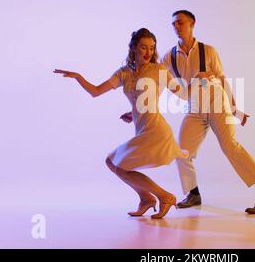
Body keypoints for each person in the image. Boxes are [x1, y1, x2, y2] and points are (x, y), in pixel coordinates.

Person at [121, 11, 255, 214]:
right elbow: (156, 83)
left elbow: (222, 79)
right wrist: (136, 108)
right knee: (182, 151)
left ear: (191, 24)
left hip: (216, 103)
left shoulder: (208, 51)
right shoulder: (169, 56)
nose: (176, 27)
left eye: (180, 23)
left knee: (230, 146)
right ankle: (193, 194)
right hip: (194, 106)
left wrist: (233, 108)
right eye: (173, 24)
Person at [54, 28, 195, 219]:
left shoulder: (159, 70)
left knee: (118, 165)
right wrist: (79, 77)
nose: (148, 52)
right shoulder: (124, 73)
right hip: (142, 129)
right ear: (133, 48)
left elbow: (182, 93)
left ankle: (164, 196)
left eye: (152, 48)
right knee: (112, 163)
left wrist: (200, 82)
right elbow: (95, 91)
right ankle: (146, 198)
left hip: (156, 130)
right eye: (143, 47)